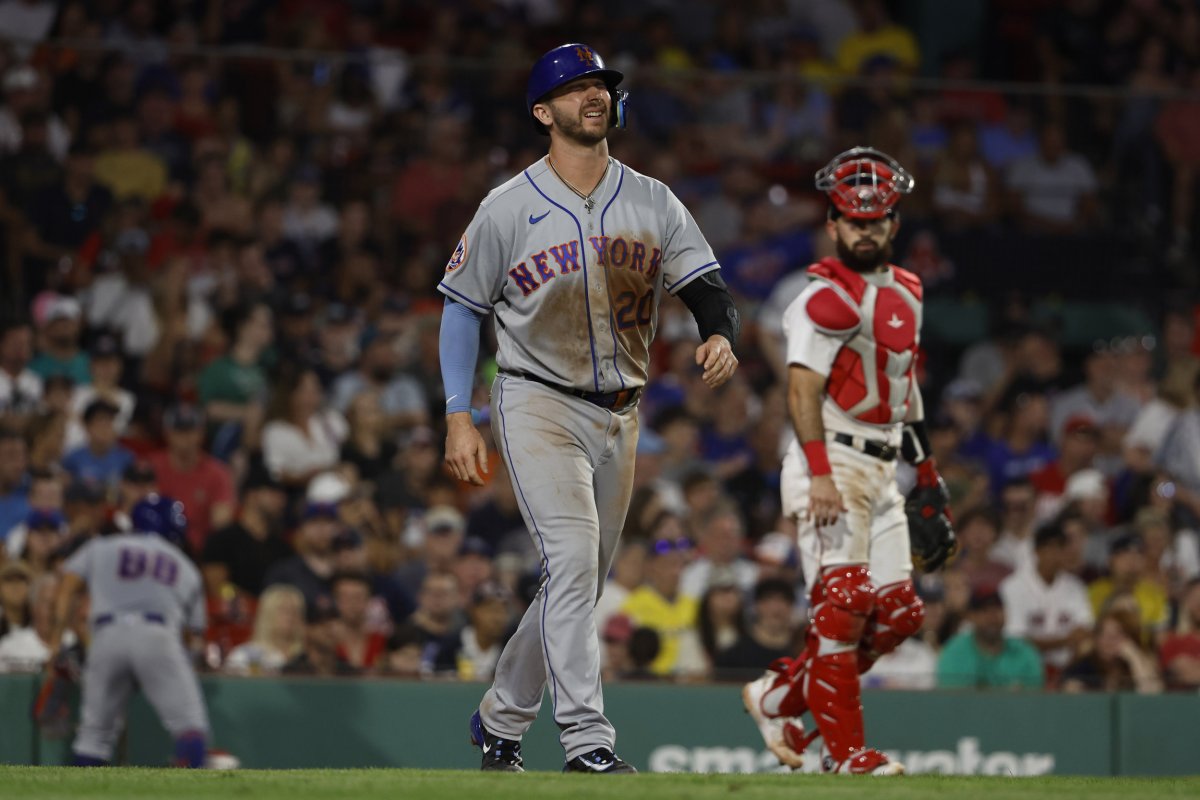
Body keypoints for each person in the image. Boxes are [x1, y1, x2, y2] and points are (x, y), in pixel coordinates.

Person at [440, 43, 741, 775]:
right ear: (544, 112)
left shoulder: (651, 198)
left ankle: (499, 721)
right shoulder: (508, 206)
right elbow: (459, 311)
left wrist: (719, 333)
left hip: (622, 412)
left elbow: (702, 281)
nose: (592, 96)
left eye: (599, 85)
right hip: (536, 398)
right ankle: (587, 744)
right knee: (573, 561)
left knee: (579, 578)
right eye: (573, 88)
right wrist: (457, 413)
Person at [740, 147, 955, 776]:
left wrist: (931, 477)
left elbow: (904, 388)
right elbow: (800, 388)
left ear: (894, 223)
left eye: (877, 218)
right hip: (827, 458)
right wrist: (822, 474)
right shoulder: (821, 297)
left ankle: (778, 696)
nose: (865, 229)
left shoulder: (909, 293)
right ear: (833, 223)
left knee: (900, 614)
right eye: (853, 219)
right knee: (846, 603)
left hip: (884, 465)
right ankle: (847, 755)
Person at [49, 495, 210, 767]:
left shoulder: (101, 546)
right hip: (156, 634)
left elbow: (66, 586)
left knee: (94, 737)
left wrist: (55, 642)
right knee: (191, 727)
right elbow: (195, 634)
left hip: (105, 635)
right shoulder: (186, 566)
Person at [936, 589, 1044, 690]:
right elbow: (952, 701)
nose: (992, 617)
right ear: (971, 616)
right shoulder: (954, 653)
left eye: (997, 609)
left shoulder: (1024, 652)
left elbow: (1032, 700)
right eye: (984, 610)